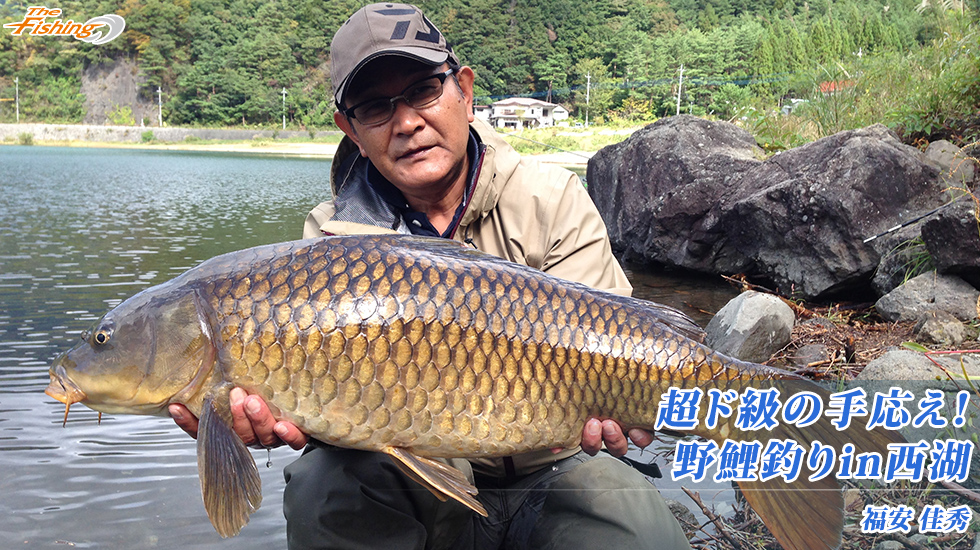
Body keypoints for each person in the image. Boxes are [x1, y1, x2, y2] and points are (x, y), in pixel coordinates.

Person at [170, 4, 691, 549]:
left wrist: (622, 408)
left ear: (463, 91)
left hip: (557, 467)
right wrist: (275, 424)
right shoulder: (329, 242)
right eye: (375, 107)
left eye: (423, 91)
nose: (407, 122)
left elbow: (621, 345)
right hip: (416, 480)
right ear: (348, 128)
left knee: (636, 526)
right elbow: (316, 421)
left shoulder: (550, 197)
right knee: (326, 487)